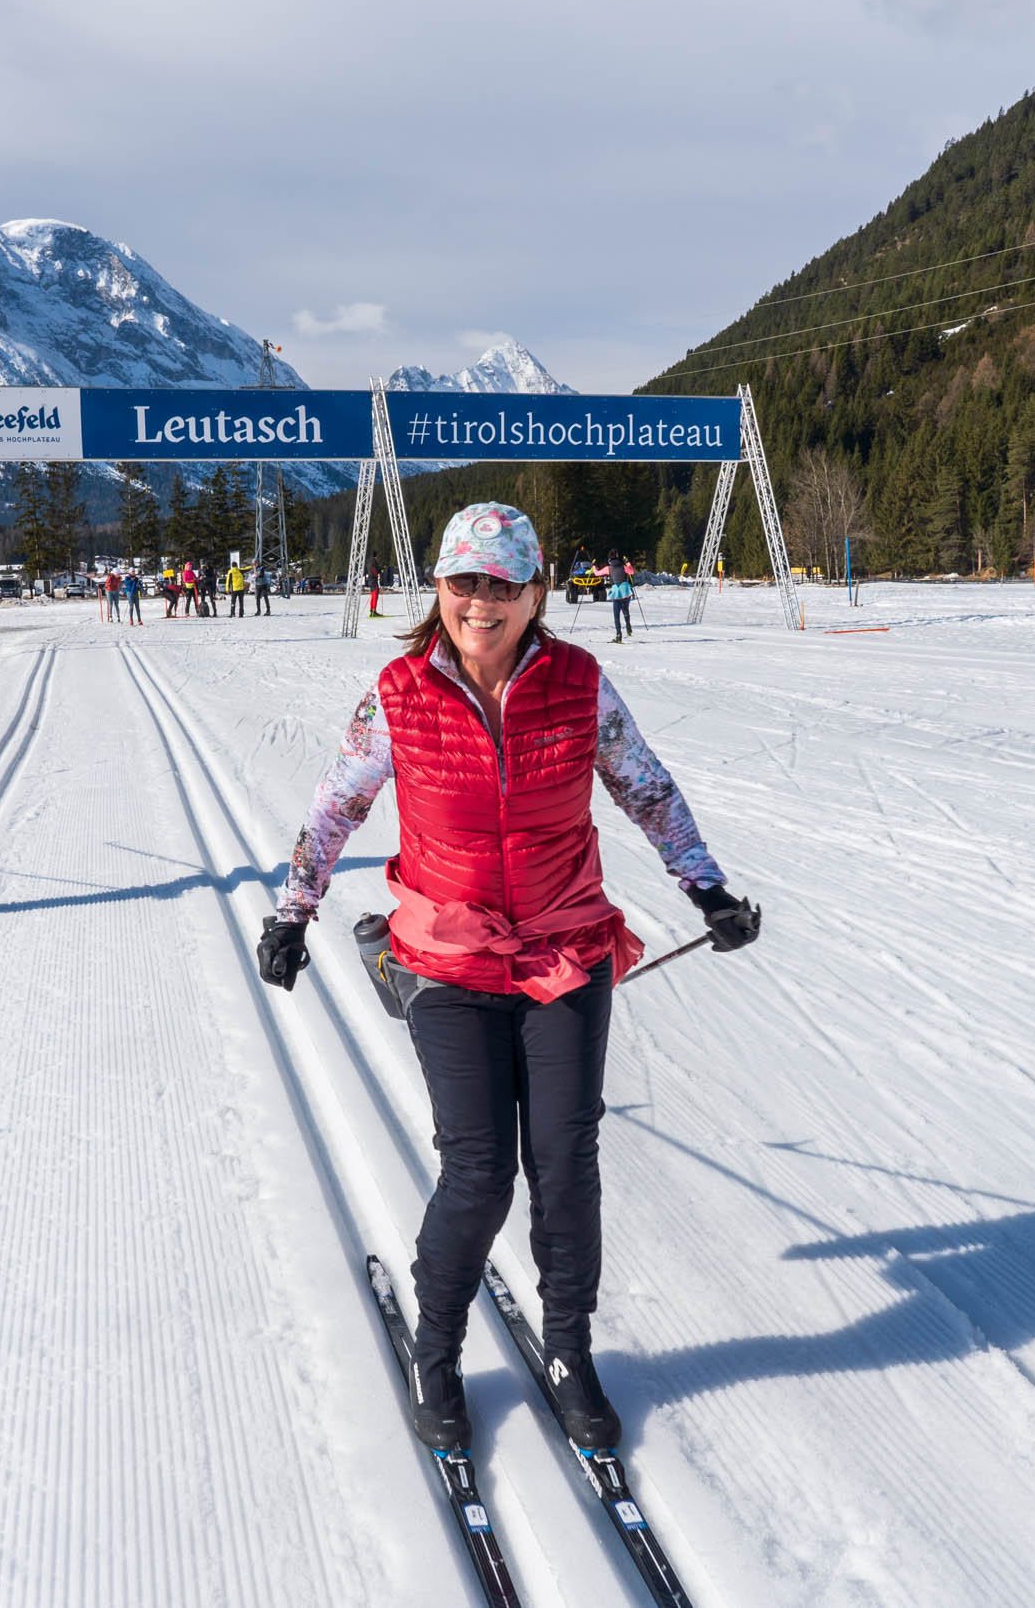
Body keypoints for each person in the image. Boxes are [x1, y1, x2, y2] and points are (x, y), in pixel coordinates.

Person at [253, 502, 759, 1455]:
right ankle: (435, 1349)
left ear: (536, 592)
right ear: (438, 588)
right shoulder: (398, 693)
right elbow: (334, 807)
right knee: (480, 1172)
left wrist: (707, 886)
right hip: (447, 951)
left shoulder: (579, 684)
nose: (478, 602)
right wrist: (293, 910)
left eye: (500, 583)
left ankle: (569, 1350)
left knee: (566, 1168)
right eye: (461, 581)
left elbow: (644, 786)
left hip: (565, 946)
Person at [606, 556, 635, 644]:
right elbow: (632, 571)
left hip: (616, 592)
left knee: (616, 615)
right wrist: (628, 562)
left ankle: (619, 635)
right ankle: (628, 625)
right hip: (626, 590)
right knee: (625, 609)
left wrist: (593, 566)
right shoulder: (623, 566)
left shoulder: (608, 568)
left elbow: (596, 573)